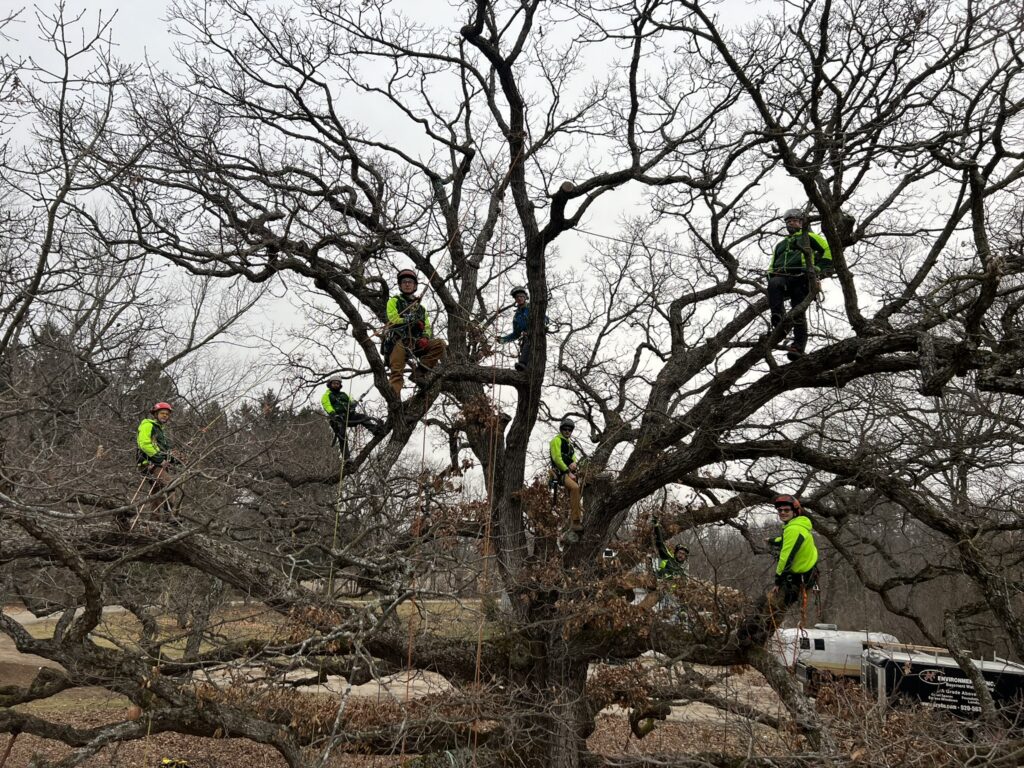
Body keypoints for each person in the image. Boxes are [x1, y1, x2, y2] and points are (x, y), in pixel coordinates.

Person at [767, 208, 833, 360]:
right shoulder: (781, 244)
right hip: (783, 276)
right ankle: (778, 317)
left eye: (795, 221)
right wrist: (771, 276)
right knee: (774, 283)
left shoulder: (810, 236)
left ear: (802, 223)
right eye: (789, 222)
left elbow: (828, 250)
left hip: (802, 277)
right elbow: (771, 265)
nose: (791, 223)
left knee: (798, 310)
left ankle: (798, 346)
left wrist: (819, 269)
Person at [383, 269, 447, 397]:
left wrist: (425, 336)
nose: (407, 284)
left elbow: (427, 326)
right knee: (396, 372)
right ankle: (394, 402)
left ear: (415, 285)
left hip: (416, 341)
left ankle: (419, 372)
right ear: (400, 285)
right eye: (404, 282)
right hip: (399, 340)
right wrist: (407, 319)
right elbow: (392, 318)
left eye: (410, 282)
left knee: (439, 344)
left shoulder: (420, 309)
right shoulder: (394, 301)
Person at [131, 401, 182, 524]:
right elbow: (144, 444)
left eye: (167, 414)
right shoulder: (148, 425)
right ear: (155, 414)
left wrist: (176, 459)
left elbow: (164, 451)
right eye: (162, 413)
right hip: (148, 463)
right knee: (170, 484)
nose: (165, 415)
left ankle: (154, 522)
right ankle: (170, 516)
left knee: (157, 493)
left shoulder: (161, 431)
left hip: (158, 464)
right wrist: (159, 459)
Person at [770, 494, 818, 607]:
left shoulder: (793, 529)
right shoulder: (799, 525)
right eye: (780, 510)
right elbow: (787, 540)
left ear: (795, 511)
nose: (782, 512)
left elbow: (785, 558)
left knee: (773, 608)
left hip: (799, 578)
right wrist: (773, 540)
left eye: (786, 510)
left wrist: (778, 581)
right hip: (809, 572)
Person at [321, 378, 386, 460]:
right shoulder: (327, 395)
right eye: (334, 383)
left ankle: (375, 430)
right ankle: (347, 458)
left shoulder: (344, 394)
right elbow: (327, 405)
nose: (336, 385)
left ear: (340, 385)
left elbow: (350, 401)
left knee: (363, 417)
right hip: (338, 419)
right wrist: (333, 414)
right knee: (342, 436)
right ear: (330, 384)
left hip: (349, 416)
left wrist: (353, 404)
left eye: (337, 383)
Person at [550, 417, 583, 541]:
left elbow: (574, 457)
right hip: (559, 473)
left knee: (578, 492)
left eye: (570, 429)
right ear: (561, 429)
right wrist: (568, 471)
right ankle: (575, 522)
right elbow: (557, 458)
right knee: (575, 488)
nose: (568, 431)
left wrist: (574, 464)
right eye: (565, 429)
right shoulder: (556, 441)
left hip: (569, 472)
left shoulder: (569, 444)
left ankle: (576, 517)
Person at [500, 286, 536, 371]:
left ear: (525, 297)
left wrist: (542, 327)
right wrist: (503, 340)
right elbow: (516, 334)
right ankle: (523, 367)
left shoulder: (532, 307)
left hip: (536, 335)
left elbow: (544, 318)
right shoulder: (517, 317)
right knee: (525, 346)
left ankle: (522, 363)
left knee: (529, 342)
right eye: (517, 297)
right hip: (526, 340)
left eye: (521, 296)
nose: (519, 298)